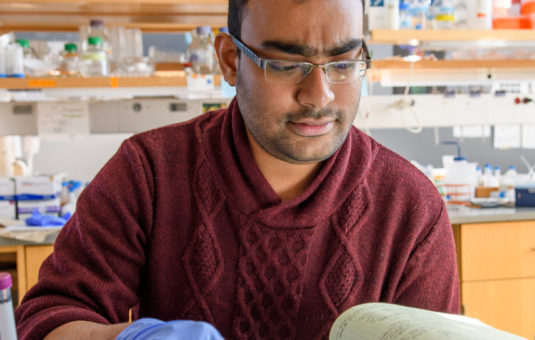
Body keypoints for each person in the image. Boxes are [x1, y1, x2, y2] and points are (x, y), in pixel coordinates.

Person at [16, 0, 460, 339]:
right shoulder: (149, 174)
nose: (319, 95)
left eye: (343, 64)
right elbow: (50, 319)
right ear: (230, 59)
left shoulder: (411, 208)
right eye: (287, 64)